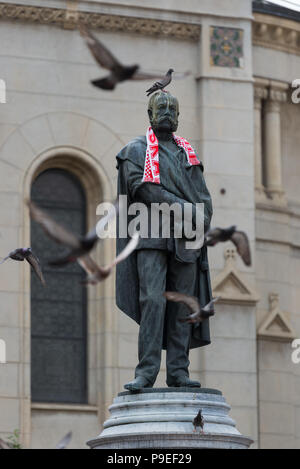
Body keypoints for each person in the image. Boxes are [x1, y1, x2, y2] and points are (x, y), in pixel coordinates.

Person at [116, 91, 213, 391]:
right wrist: (187, 209)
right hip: (151, 235)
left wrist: (201, 216)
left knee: (183, 305)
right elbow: (145, 190)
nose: (168, 112)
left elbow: (205, 203)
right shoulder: (135, 150)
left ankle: (178, 372)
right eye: (162, 108)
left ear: (179, 116)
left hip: (186, 239)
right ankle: (146, 372)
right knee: (153, 302)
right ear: (150, 114)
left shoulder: (188, 154)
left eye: (173, 108)